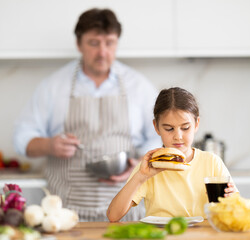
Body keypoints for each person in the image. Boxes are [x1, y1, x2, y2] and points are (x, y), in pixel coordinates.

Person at [13, 8, 161, 221]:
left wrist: (139, 166)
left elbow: (158, 136)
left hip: (126, 212)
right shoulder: (54, 86)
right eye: (93, 43)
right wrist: (49, 145)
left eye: (109, 43)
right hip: (65, 214)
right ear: (78, 44)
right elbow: (21, 136)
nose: (102, 52)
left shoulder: (138, 86)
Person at [107, 87, 237, 222]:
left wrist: (231, 201)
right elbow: (113, 216)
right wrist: (140, 176)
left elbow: (234, 213)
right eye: (169, 129)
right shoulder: (148, 167)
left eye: (185, 128)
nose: (178, 136)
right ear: (156, 127)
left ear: (196, 124)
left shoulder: (211, 162)